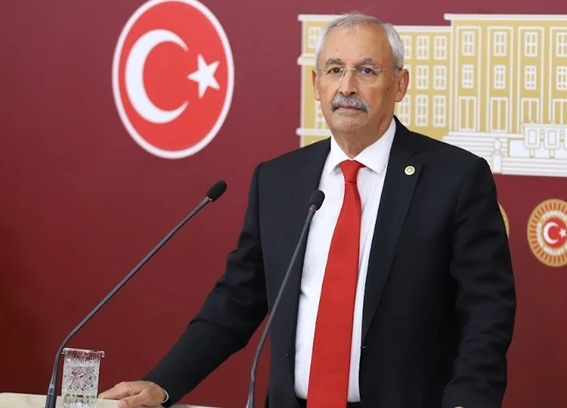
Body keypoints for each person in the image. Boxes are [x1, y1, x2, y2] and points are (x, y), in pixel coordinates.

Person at [99, 11, 516, 408]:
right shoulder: (278, 181)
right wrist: (164, 384)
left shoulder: (455, 178)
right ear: (316, 84)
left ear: (400, 85)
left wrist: (469, 399)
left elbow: (486, 311)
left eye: (366, 70)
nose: (347, 86)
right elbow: (236, 301)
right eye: (334, 70)